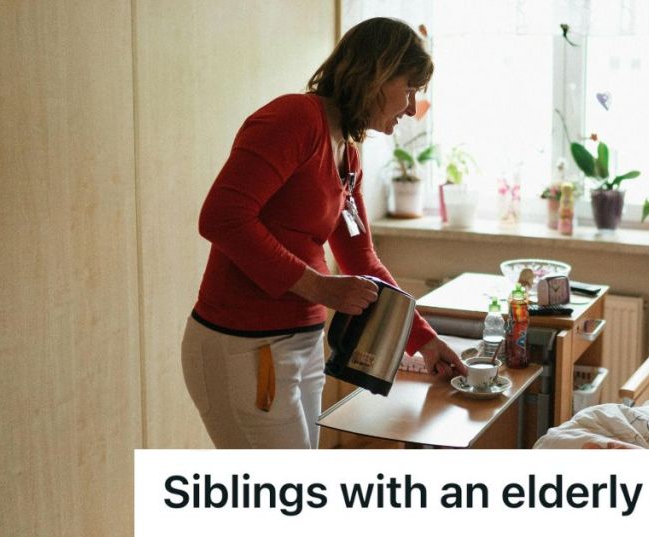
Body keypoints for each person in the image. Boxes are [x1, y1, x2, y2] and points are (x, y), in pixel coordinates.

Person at [180, 17, 466, 450]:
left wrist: (425, 340)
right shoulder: (294, 118)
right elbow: (222, 217)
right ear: (376, 75)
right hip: (244, 347)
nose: (411, 108)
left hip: (303, 343)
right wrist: (319, 286)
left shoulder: (347, 152)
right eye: (408, 88)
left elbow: (361, 260)